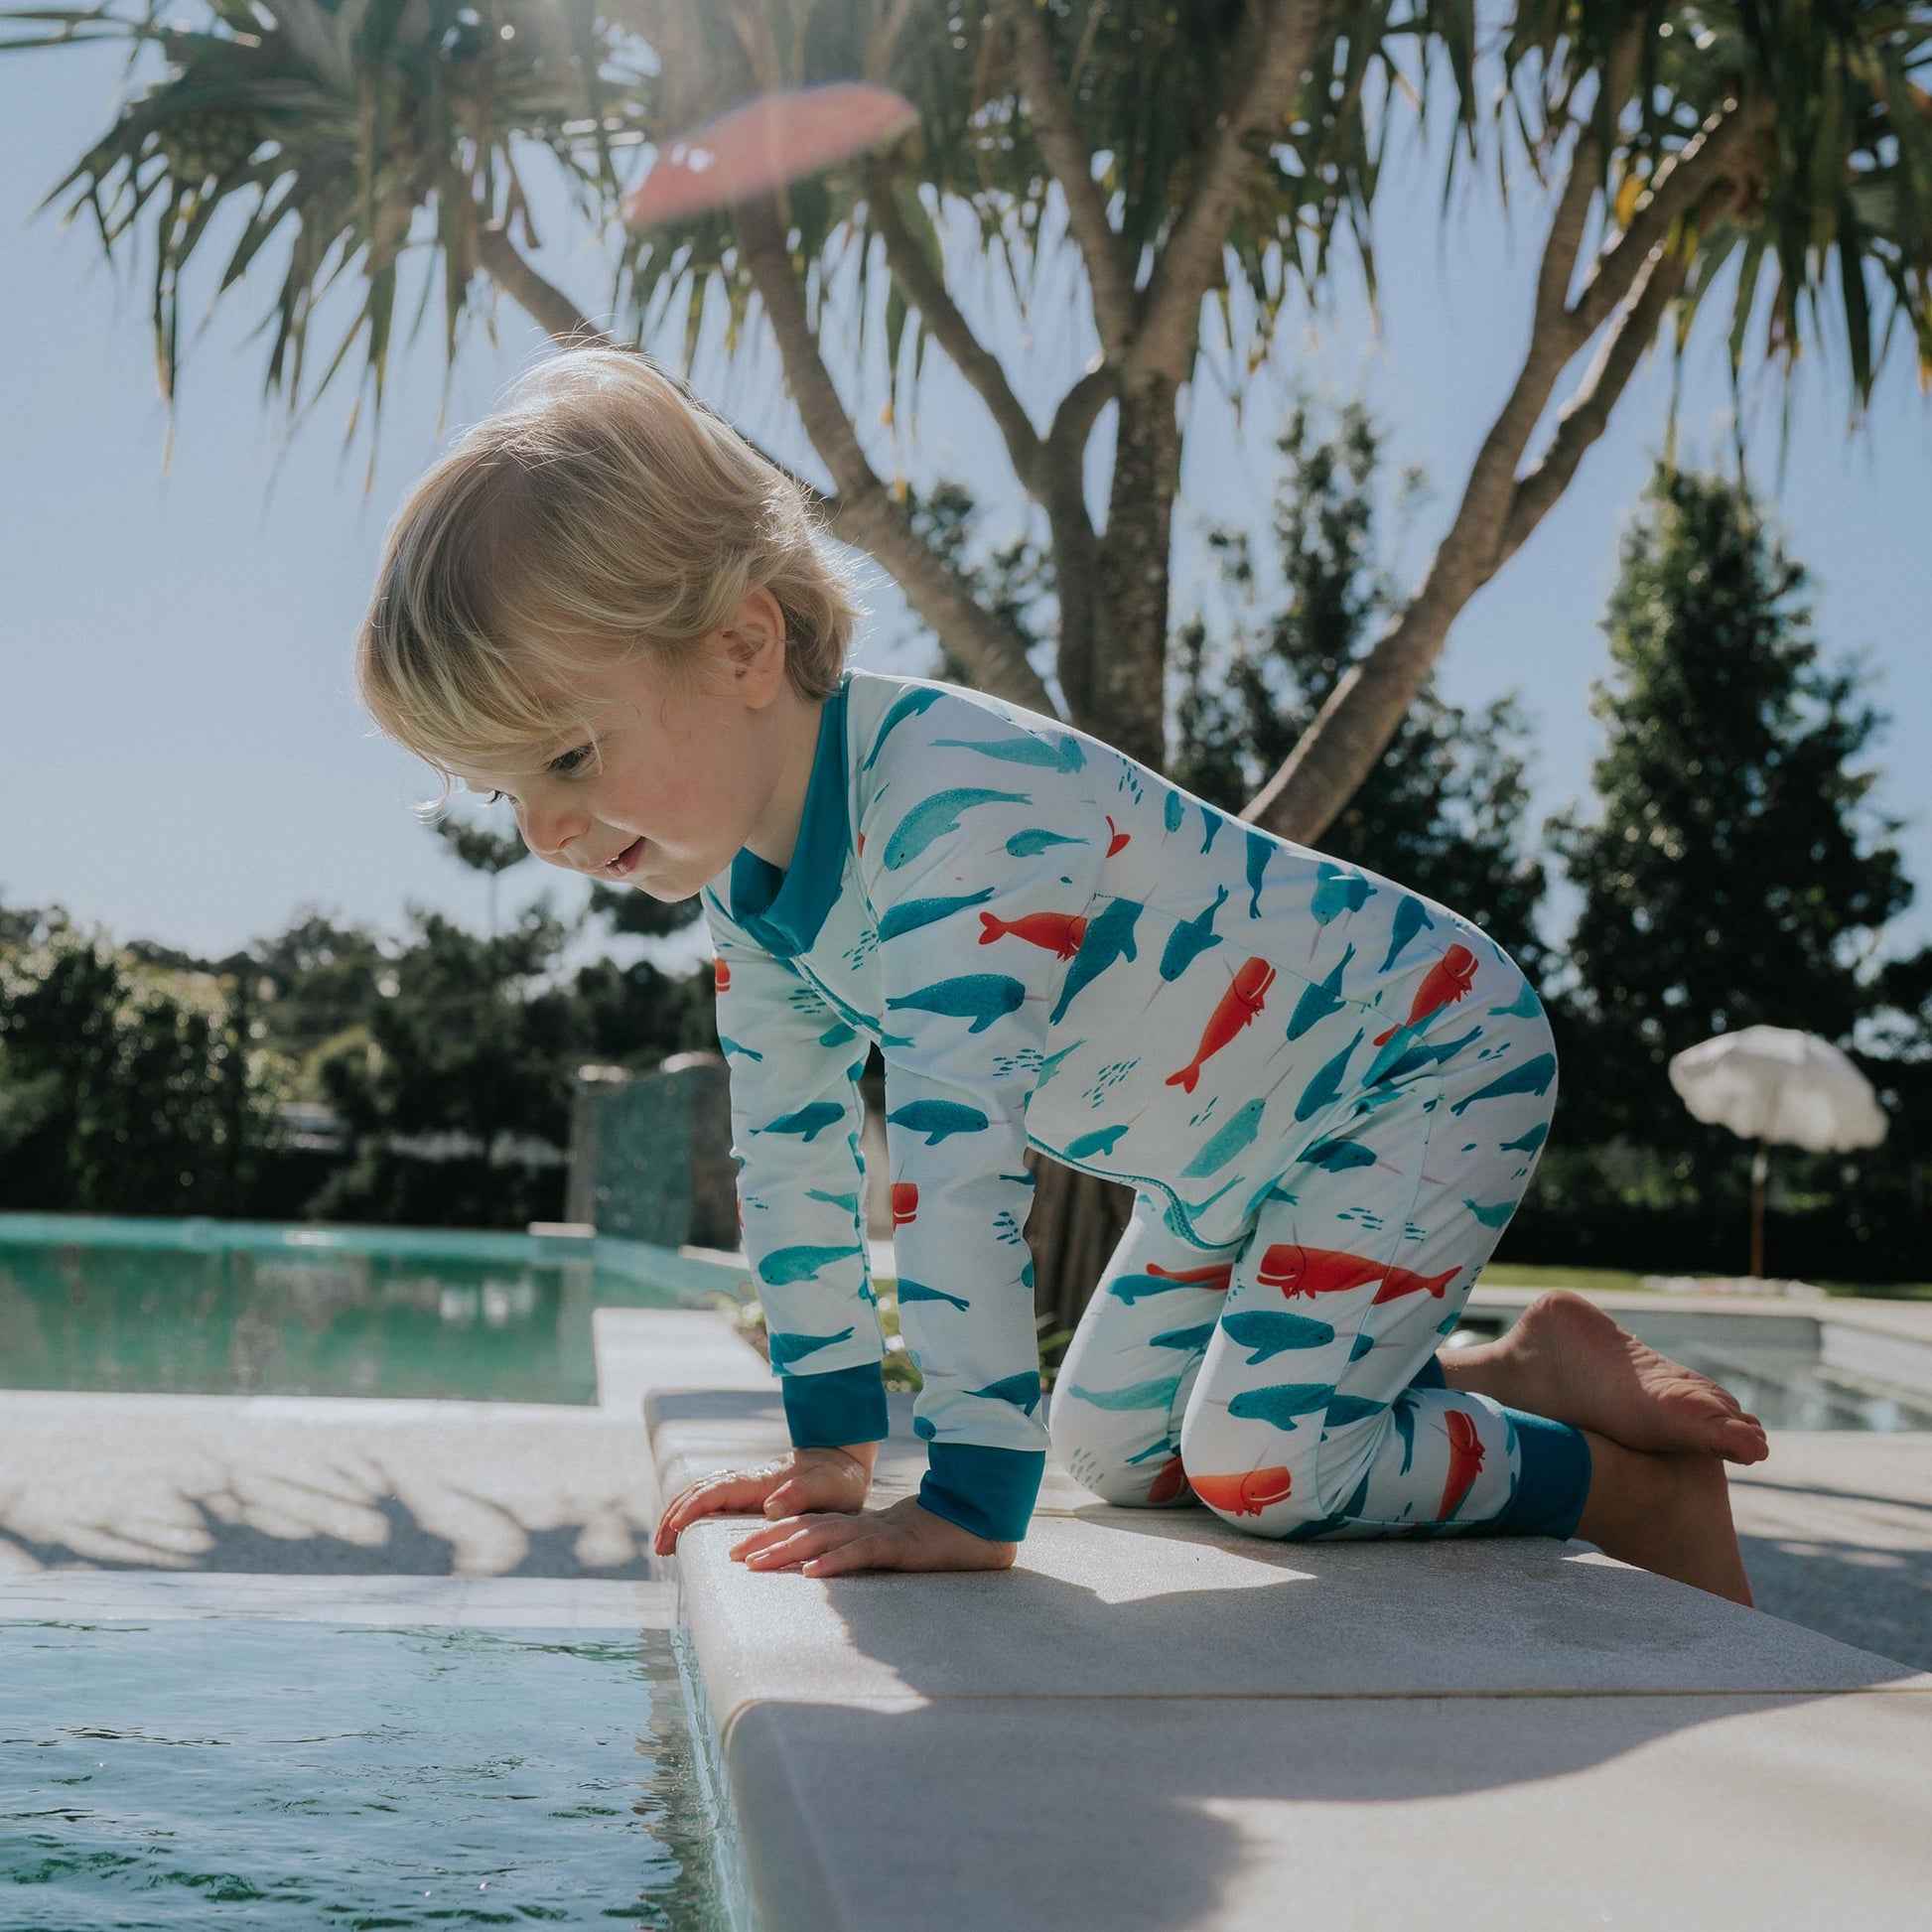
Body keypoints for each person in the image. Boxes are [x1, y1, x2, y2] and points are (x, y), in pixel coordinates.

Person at [355, 345, 1763, 1604]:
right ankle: (1512, 1369)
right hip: (1232, 1160)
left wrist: (968, 1501)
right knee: (1107, 1451)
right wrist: (833, 1450)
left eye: (568, 758)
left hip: (1418, 1059)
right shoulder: (753, 888)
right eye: (502, 795)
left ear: (740, 646)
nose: (543, 831)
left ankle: (1621, 1481)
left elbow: (952, 1160)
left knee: (1261, 1468)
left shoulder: (954, 805)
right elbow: (790, 1155)